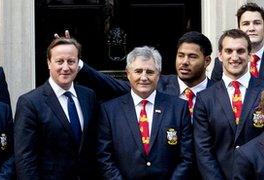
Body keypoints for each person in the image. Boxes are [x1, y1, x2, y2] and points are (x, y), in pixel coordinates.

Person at [97, 46, 193, 179]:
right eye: (138, 71)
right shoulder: (109, 110)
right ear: (128, 73)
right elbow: (104, 157)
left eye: (150, 72)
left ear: (158, 75)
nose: (144, 77)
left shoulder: (178, 108)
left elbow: (187, 157)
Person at [14, 38, 99, 179]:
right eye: (59, 61)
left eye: (71, 61)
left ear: (78, 64)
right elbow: (25, 158)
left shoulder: (88, 96)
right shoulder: (30, 102)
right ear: (49, 63)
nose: (65, 68)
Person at [75, 31, 214, 116]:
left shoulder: (219, 93)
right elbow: (111, 85)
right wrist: (77, 63)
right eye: (180, 55)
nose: (184, 62)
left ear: (207, 61)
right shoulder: (157, 84)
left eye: (192, 57)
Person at [194, 29, 264, 180]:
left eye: (240, 51)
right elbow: (203, 150)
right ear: (220, 55)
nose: (234, 57)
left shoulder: (263, 91)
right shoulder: (205, 98)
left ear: (250, 55)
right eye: (228, 51)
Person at [211, 2, 264, 81]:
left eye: (257, 23)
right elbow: (214, 91)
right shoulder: (221, 62)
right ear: (239, 29)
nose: (251, 28)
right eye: (246, 24)